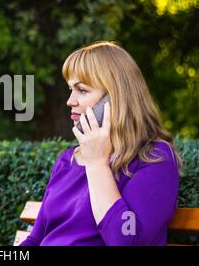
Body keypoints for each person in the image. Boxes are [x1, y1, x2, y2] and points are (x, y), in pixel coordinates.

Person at [19, 41, 182, 246]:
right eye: (70, 89)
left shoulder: (154, 158)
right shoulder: (67, 160)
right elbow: (36, 238)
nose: (70, 100)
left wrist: (97, 163)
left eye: (82, 90)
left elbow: (126, 240)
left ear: (115, 98)